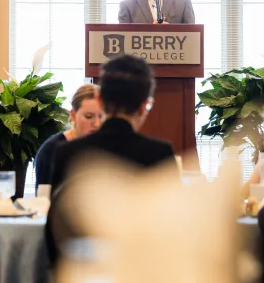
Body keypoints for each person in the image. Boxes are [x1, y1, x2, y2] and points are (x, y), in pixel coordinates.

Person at [46, 55, 177, 265]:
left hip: (80, 279)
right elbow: (171, 231)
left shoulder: (67, 153)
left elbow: (54, 231)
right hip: (139, 277)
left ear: (100, 100)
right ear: (144, 106)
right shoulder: (160, 154)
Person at [34, 84, 103, 191]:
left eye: (101, 116)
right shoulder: (51, 150)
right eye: (89, 116)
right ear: (73, 115)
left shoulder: (108, 150)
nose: (97, 124)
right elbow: (44, 200)